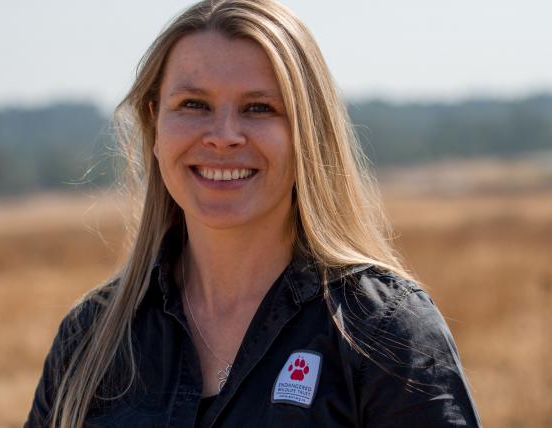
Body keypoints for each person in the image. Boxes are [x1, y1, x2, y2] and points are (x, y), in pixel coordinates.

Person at [25, 0, 481, 426]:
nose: (223, 136)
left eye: (259, 108)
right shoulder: (89, 340)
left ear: (308, 130)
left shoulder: (384, 332)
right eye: (193, 105)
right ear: (155, 124)